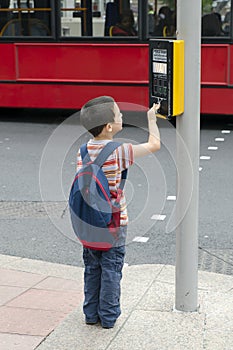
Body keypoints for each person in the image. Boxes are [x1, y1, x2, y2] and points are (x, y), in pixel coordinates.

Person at [77, 96, 161, 329]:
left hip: (88, 221)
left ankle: (91, 314)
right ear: (109, 127)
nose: (122, 116)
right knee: (111, 269)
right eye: (119, 114)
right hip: (113, 222)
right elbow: (154, 145)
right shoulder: (119, 151)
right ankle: (109, 316)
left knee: (93, 267)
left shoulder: (83, 150)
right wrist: (151, 120)